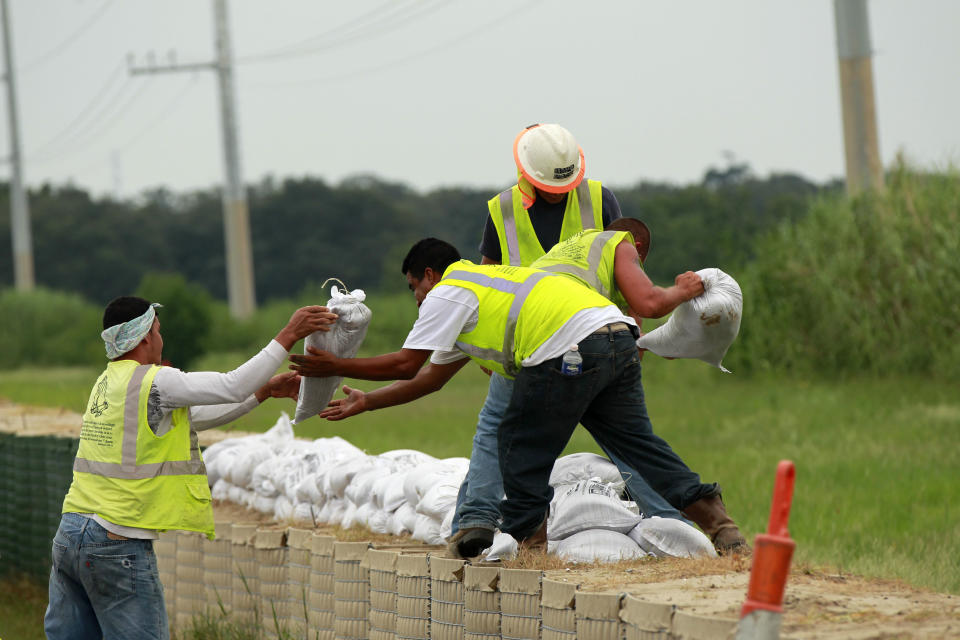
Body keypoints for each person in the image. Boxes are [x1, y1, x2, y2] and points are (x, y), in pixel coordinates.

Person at [289, 238, 748, 558]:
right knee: (637, 444)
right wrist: (366, 401)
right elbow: (428, 380)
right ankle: (721, 525)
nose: (416, 299)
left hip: (565, 348)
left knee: (517, 442)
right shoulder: (483, 287)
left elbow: (406, 363)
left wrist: (336, 366)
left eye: (413, 287)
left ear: (427, 275)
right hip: (616, 335)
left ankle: (532, 549)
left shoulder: (448, 293)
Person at [449, 123, 685, 553]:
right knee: (506, 427)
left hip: (587, 336)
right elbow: (487, 278)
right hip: (540, 341)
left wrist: (635, 332)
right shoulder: (503, 210)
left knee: (619, 434)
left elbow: (623, 268)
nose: (558, 193)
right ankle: (478, 520)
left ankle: (667, 520)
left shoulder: (598, 198)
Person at [44, 296, 337, 640]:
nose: (160, 338)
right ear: (144, 339)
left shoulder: (107, 384)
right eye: (158, 330)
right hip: (116, 541)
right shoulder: (155, 381)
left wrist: (264, 393)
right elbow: (232, 385)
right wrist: (289, 334)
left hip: (71, 534)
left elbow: (194, 417)